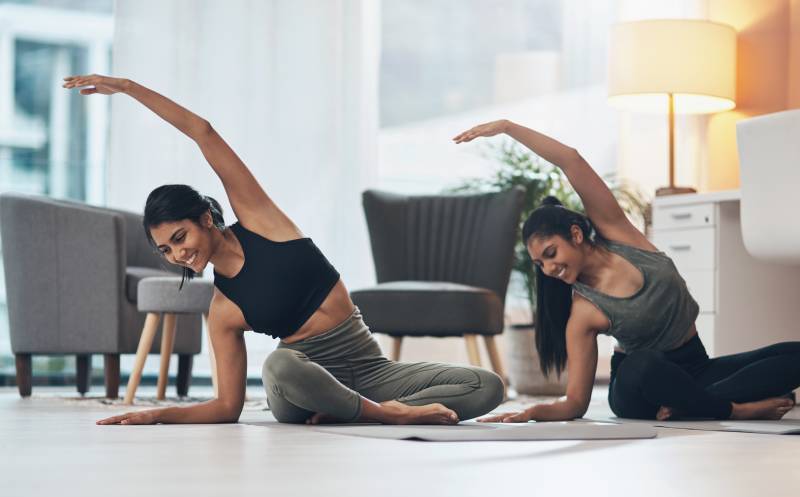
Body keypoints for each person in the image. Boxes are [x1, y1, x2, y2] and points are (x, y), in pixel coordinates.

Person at [62, 74, 505, 426]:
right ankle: (383, 414)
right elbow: (225, 407)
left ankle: (352, 411)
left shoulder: (260, 220)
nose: (177, 254)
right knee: (279, 368)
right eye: (165, 250)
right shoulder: (222, 311)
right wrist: (157, 415)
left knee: (486, 387)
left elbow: (203, 132)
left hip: (370, 369)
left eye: (180, 238)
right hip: (301, 383)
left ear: (205, 219)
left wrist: (126, 87)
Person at [452, 119, 800, 423]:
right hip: (638, 389)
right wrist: (533, 412)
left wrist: (508, 127)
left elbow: (571, 160)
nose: (548, 269)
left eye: (551, 253)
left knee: (794, 354)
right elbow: (576, 403)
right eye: (540, 264)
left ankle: (690, 405)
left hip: (696, 368)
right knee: (644, 363)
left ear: (575, 234)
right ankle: (733, 410)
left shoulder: (617, 232)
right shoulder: (583, 312)